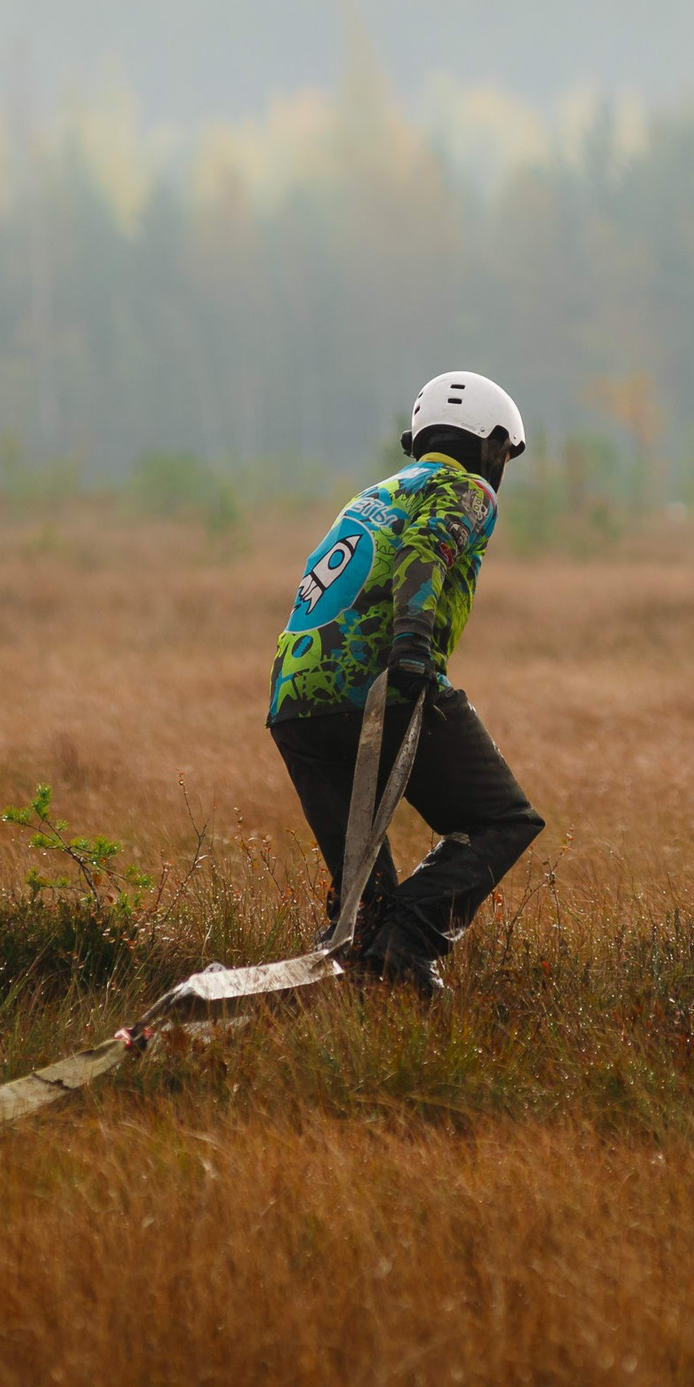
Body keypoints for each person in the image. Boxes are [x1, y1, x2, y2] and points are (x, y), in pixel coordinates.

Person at [266, 372, 545, 998]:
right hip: (380, 682)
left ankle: (368, 974)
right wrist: (414, 649)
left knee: (361, 901)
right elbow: (425, 551)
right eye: (504, 455)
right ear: (494, 445)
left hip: (294, 702)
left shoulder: (372, 494)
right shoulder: (465, 488)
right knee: (503, 819)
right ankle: (410, 941)